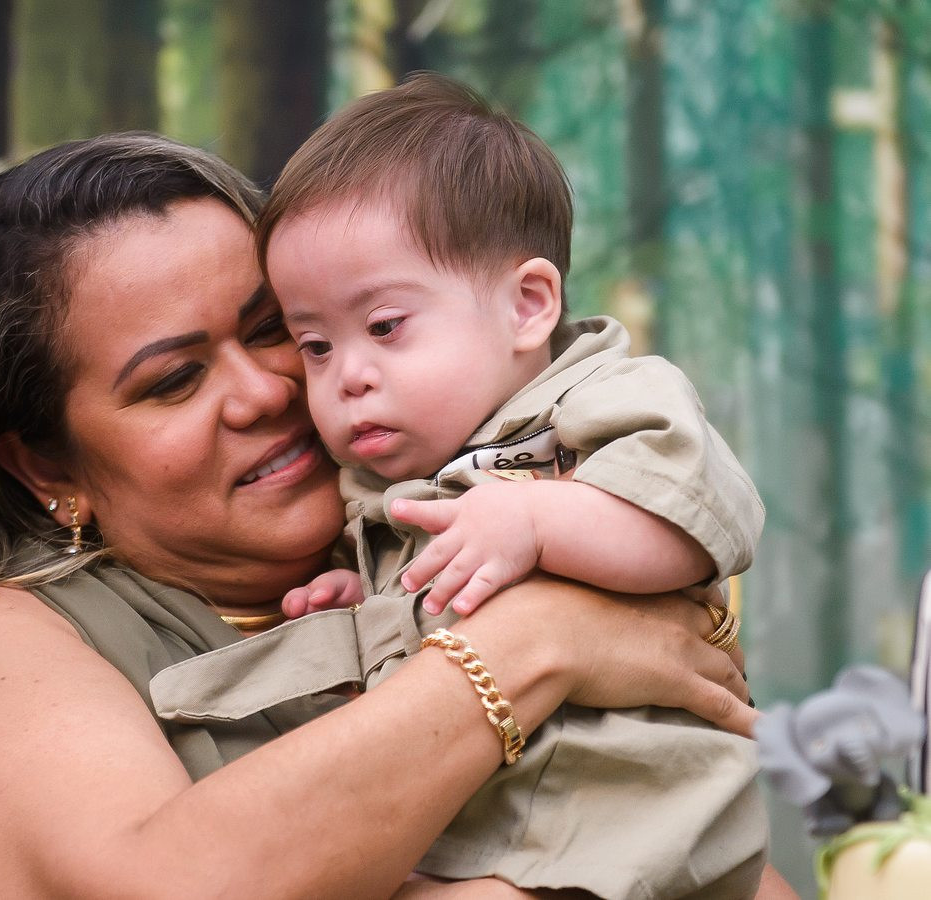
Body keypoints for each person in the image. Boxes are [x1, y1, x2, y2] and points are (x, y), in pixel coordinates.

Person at [0, 131, 774, 898]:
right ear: (49, 466)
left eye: (279, 333)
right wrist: (536, 645)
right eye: (174, 380)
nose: (264, 390)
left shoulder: (432, 548)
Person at [148, 76, 767, 896]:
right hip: (494, 832)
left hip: (632, 818)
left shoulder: (602, 400)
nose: (348, 376)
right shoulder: (381, 482)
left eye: (384, 327)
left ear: (527, 306)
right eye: (315, 345)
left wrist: (540, 520)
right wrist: (371, 605)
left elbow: (694, 525)